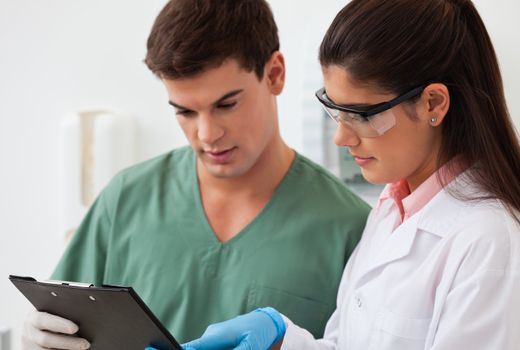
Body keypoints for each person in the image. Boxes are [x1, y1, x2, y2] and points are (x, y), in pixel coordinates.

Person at [20, 1, 371, 349]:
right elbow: (64, 326)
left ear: (275, 74)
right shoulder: (126, 199)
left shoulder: (351, 229)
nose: (206, 134)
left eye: (226, 104)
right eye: (185, 111)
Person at [180, 0, 520, 349]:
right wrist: (283, 341)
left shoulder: (490, 243)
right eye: (335, 110)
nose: (341, 137)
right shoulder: (394, 207)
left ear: (433, 103)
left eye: (360, 115)